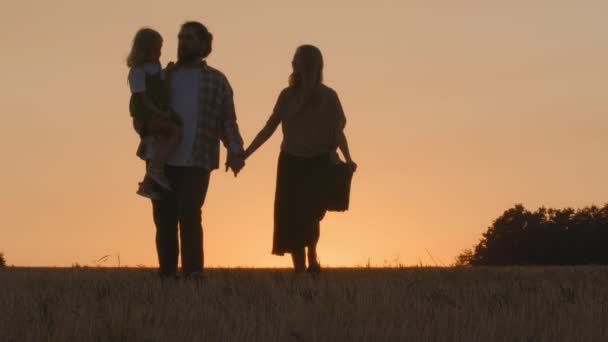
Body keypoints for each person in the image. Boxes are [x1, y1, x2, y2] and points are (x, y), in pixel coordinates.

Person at [244, 45, 357, 273]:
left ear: (310, 64)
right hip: (290, 163)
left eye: (296, 59)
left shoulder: (328, 96)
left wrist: (349, 158)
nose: (292, 63)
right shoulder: (287, 96)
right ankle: (300, 270)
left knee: (311, 216)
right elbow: (269, 129)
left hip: (317, 163)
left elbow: (337, 132)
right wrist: (245, 154)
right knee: (291, 217)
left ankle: (312, 254)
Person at [147, 21, 245, 278]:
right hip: (161, 161)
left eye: (190, 38)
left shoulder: (216, 80)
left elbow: (227, 120)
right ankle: (166, 276)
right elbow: (144, 107)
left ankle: (193, 275)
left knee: (189, 216)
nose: (183, 43)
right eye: (181, 38)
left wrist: (235, 150)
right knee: (164, 222)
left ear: (204, 44)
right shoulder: (165, 75)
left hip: (197, 159)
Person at [127, 28, 182, 199]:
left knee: (160, 145)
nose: (159, 52)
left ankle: (147, 183)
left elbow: (162, 90)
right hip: (145, 115)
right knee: (174, 131)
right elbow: (143, 99)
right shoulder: (137, 72)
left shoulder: (156, 67)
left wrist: (169, 74)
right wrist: (159, 112)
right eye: (156, 49)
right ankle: (155, 170)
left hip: (157, 111)